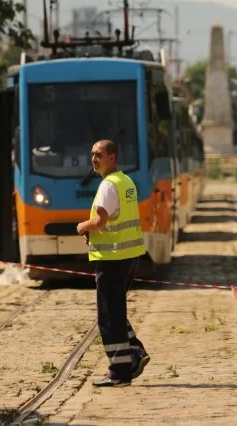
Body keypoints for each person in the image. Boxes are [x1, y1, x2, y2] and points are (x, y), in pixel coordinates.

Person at [76, 139, 150, 387]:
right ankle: (136, 352)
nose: (94, 159)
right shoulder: (126, 181)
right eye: (92, 154)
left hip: (112, 259)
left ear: (112, 157)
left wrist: (82, 227)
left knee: (109, 318)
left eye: (99, 155)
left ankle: (120, 372)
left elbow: (100, 221)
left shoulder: (108, 185)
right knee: (116, 312)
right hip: (129, 256)